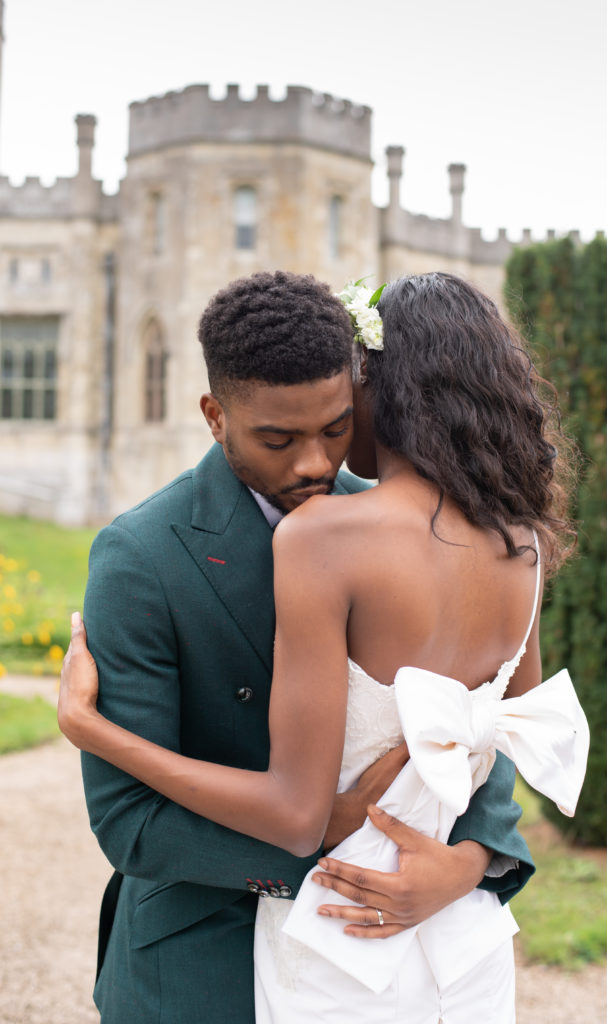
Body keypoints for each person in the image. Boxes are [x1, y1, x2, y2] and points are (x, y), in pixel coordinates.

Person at [65, 271, 535, 1024]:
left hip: (394, 951)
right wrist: (324, 846)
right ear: (215, 417)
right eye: (277, 439)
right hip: (201, 962)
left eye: (336, 428)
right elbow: (129, 824)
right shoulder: (141, 557)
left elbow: (476, 722)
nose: (315, 463)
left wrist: (467, 863)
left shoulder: (398, 523)